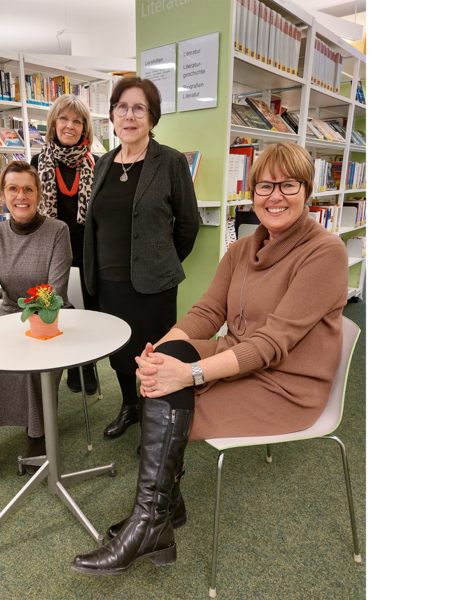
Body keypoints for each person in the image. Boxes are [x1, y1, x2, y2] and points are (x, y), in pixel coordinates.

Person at [70, 142, 349, 574]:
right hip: (239, 360)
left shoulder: (324, 252)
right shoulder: (241, 248)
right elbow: (207, 312)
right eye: (264, 186)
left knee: (169, 395)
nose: (275, 196)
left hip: (287, 384)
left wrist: (191, 374)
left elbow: (271, 344)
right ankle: (160, 515)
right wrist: (160, 353)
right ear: (252, 192)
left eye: (288, 185)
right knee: (162, 371)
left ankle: (152, 521)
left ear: (307, 190)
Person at [83, 76, 200, 441]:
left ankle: (155, 421)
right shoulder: (103, 163)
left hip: (152, 286)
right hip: (107, 283)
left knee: (153, 355)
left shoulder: (170, 162)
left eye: (139, 108)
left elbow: (188, 224)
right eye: (122, 108)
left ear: (152, 117)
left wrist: (159, 259)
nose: (129, 116)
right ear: (112, 115)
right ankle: (129, 406)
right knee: (119, 354)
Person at [0, 161, 72, 502]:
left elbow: (55, 291)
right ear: (2, 195)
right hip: (8, 314)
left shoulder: (58, 231)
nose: (20, 196)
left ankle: (37, 440)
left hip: (49, 317)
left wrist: (33, 327)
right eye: (13, 188)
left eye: (28, 189)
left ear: (39, 194)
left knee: (30, 361)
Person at [31, 94, 100, 395]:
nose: (69, 126)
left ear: (85, 127)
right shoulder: (37, 161)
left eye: (77, 120)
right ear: (53, 123)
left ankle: (88, 364)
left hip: (88, 251)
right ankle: (72, 365)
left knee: (89, 311)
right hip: (53, 251)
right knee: (61, 309)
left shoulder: (97, 163)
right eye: (64, 119)